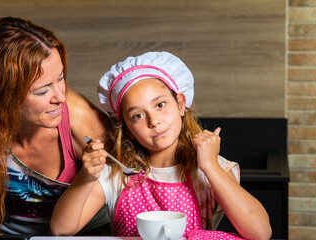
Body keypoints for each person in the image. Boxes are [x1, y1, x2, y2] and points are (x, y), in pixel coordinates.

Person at [51, 51, 272, 239]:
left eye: (160, 105)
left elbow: (260, 233)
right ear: (126, 127)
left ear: (181, 104)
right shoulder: (116, 174)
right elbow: (61, 230)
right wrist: (85, 178)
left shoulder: (212, 169)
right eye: (137, 115)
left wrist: (210, 166)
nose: (154, 121)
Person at [0, 17, 112, 237]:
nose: (60, 97)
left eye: (60, 78)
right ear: (2, 96)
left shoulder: (78, 116)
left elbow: (131, 182)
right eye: (42, 91)